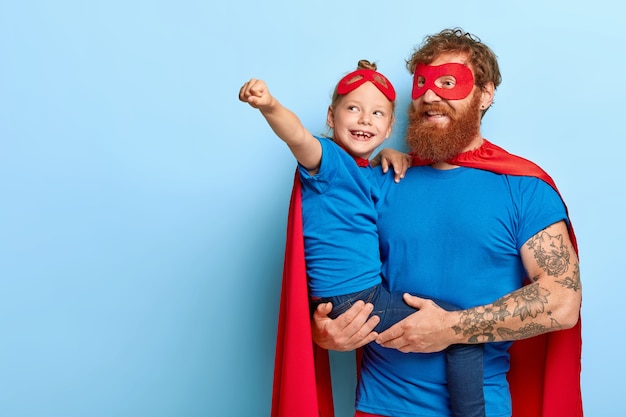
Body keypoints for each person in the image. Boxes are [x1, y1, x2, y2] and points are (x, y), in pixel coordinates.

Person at [311, 29, 583, 417]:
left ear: (485, 94)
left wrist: (452, 328)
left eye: (449, 83)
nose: (430, 96)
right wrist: (326, 330)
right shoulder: (381, 180)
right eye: (421, 83)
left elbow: (562, 301)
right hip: (380, 405)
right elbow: (335, 260)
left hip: (479, 406)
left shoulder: (525, 189)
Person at [240, 60, 487, 417]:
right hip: (354, 300)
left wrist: (388, 155)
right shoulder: (327, 163)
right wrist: (269, 105)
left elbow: (375, 178)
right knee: (460, 328)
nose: (363, 119)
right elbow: (297, 136)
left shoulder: (366, 172)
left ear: (388, 129)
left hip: (362, 294)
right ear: (330, 116)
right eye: (352, 109)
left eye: (376, 113)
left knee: (449, 325)